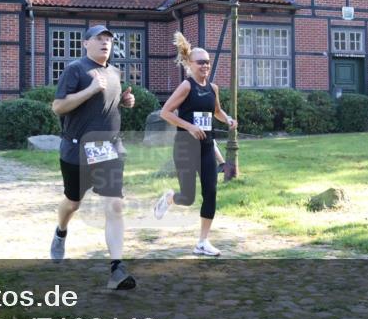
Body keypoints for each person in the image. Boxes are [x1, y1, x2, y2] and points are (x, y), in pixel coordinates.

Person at [49, 25, 137, 289]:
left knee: (115, 205)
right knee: (73, 203)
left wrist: (123, 101)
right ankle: (61, 231)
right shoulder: (75, 69)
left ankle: (117, 269)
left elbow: (102, 105)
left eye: (108, 39)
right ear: (85, 43)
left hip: (109, 149)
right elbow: (58, 107)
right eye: (99, 39)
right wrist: (89, 90)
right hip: (77, 150)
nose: (105, 43)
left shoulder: (114, 72)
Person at [153, 33, 236, 256]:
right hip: (185, 148)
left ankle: (202, 242)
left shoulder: (213, 88)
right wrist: (189, 126)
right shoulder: (186, 86)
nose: (205, 65)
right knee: (188, 198)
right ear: (190, 64)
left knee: (211, 192)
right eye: (201, 62)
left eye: (208, 62)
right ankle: (170, 198)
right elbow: (165, 112)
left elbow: (216, 111)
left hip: (206, 147)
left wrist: (227, 119)